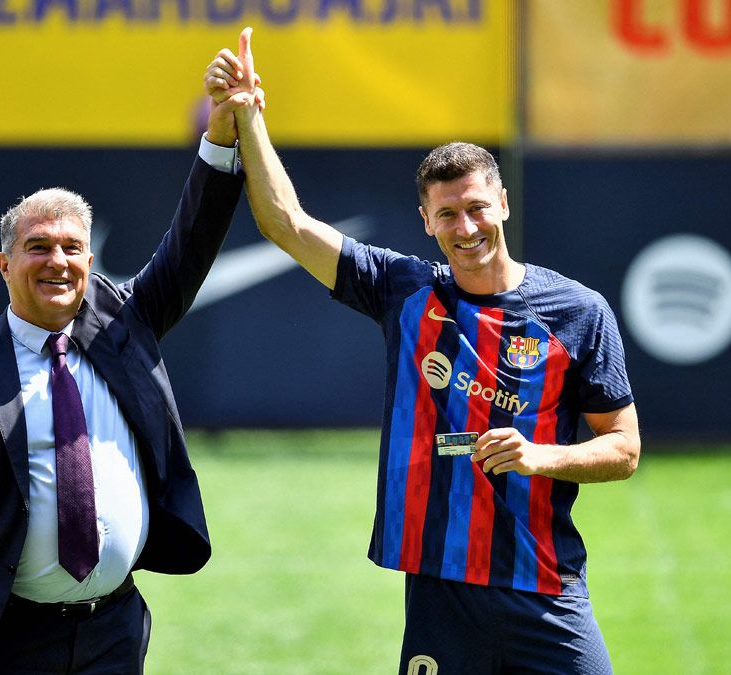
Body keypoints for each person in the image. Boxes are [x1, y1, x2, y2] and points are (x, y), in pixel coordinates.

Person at [205, 29, 641, 674]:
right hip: (441, 594)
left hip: (546, 592)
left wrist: (540, 456)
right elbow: (286, 224)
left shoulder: (578, 312)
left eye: (476, 209)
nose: (465, 229)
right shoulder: (404, 291)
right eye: (447, 215)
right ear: (425, 220)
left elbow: (624, 449)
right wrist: (248, 114)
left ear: (503, 204)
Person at [0, 78, 258, 674]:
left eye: (71, 248)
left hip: (114, 630)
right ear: (4, 264)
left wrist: (220, 138)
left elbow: (190, 245)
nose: (57, 262)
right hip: (4, 635)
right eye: (37, 247)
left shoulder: (123, 328)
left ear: (90, 263)